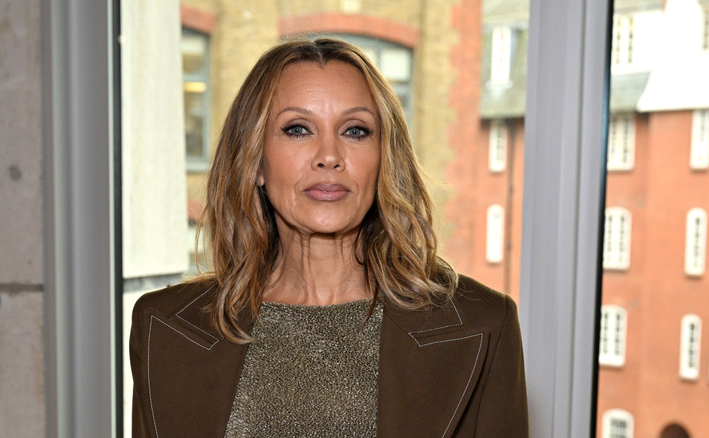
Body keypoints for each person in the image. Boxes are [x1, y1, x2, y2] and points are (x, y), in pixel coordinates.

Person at [130, 38, 528, 437]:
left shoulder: (482, 326)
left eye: (355, 131)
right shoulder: (164, 328)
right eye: (298, 129)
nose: (329, 155)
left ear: (384, 158)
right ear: (255, 162)